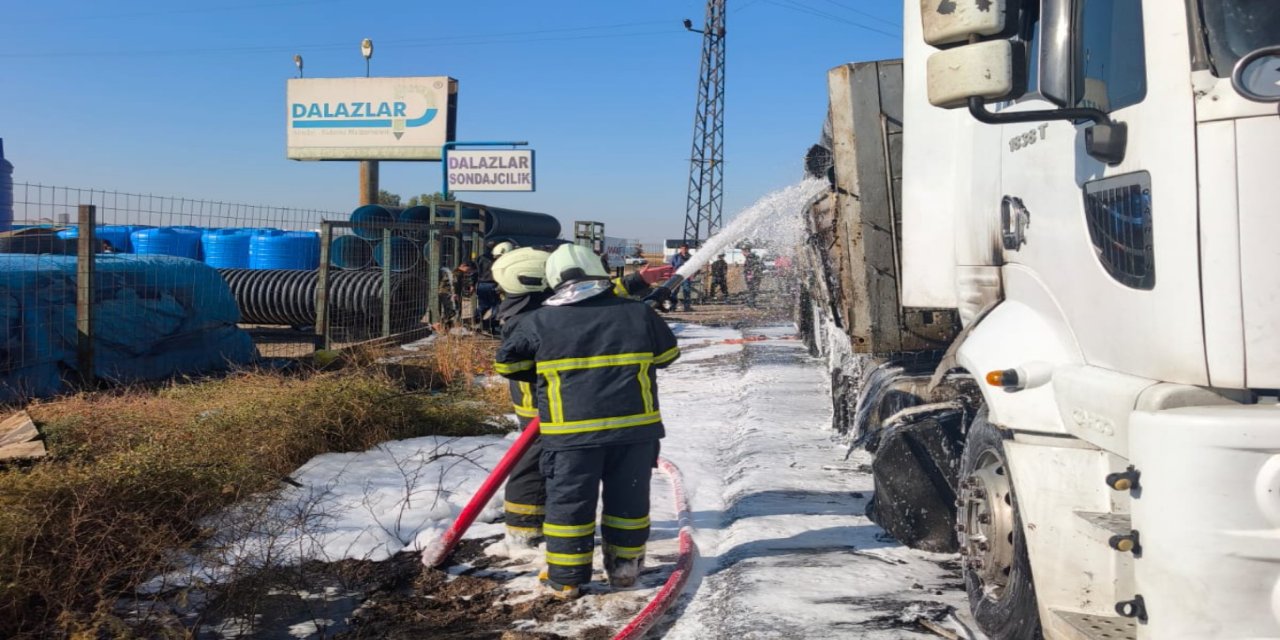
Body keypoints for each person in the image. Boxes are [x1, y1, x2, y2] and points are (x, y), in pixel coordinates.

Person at [495, 243, 680, 599]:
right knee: (629, 501)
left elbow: (508, 364)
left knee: (570, 505)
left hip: (570, 436)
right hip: (634, 431)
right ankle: (625, 569)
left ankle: (566, 579)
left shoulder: (539, 321)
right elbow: (668, 354)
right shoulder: (639, 314)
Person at [491, 247, 555, 549]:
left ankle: (533, 523)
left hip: (537, 401)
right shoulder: (531, 318)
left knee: (539, 459)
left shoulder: (522, 308)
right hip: (539, 403)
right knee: (533, 462)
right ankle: (523, 528)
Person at [474, 241, 501, 334]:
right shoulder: (497, 259)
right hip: (493, 284)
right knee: (496, 305)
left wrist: (472, 284)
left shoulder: (480, 258)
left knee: (483, 305)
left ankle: (476, 320)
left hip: (481, 284)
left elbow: (475, 271)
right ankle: (491, 324)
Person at [666, 243, 695, 312]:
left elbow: (693, 266)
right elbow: (671, 265)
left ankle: (687, 307)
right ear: (680, 249)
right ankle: (672, 307)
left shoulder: (690, 257)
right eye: (682, 248)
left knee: (687, 291)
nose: (684, 250)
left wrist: (692, 274)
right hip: (676, 276)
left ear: (687, 249)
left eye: (685, 248)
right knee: (674, 292)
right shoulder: (676, 256)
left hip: (686, 276)